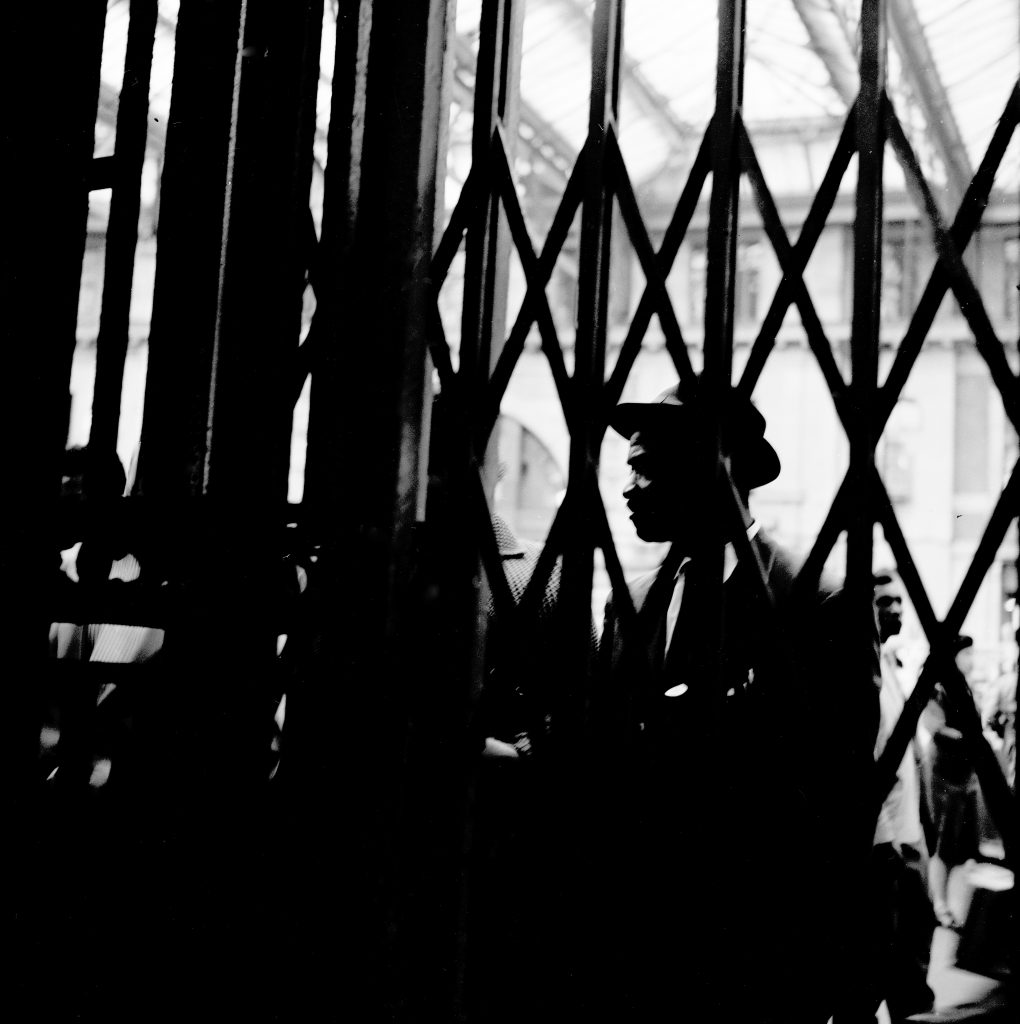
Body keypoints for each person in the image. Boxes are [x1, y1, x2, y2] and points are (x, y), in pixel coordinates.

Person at [595, 377, 880, 1022]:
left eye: (644, 468)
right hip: (641, 940)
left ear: (710, 466)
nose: (627, 488)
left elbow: (840, 786)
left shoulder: (815, 601)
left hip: (758, 947)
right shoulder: (631, 601)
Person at [837, 570, 935, 1023]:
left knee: (912, 970)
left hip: (910, 839)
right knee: (874, 971)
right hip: (882, 845)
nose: (895, 610)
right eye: (883, 603)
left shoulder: (893, 668)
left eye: (898, 601)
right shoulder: (855, 676)